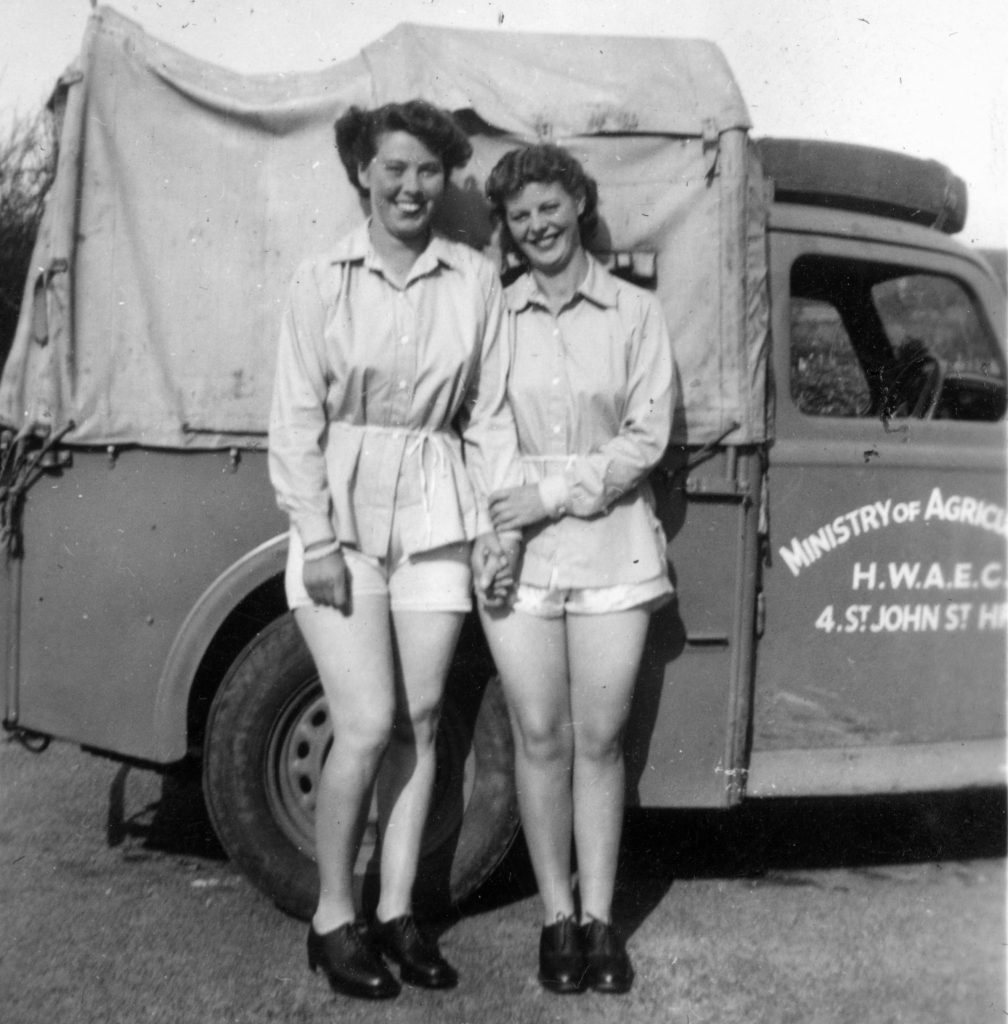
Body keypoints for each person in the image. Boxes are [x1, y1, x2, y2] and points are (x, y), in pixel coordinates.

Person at [268, 99, 519, 1001]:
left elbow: (487, 415)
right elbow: (295, 421)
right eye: (394, 169)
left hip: (437, 511)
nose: (411, 186)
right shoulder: (321, 278)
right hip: (339, 518)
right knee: (367, 722)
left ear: (444, 180)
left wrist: (494, 524)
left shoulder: (473, 279)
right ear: (362, 175)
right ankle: (334, 914)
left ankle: (399, 910)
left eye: (428, 171)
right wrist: (320, 538)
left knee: (419, 720)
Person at [478, 143, 675, 995]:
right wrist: (506, 521)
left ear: (580, 204)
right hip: (516, 556)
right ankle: (555, 919)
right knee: (540, 738)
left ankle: (601, 923)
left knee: (599, 741)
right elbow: (482, 427)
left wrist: (549, 495)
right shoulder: (496, 316)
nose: (537, 227)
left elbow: (645, 438)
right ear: (509, 232)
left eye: (549, 208)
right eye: (520, 218)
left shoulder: (634, 313)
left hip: (610, 550)